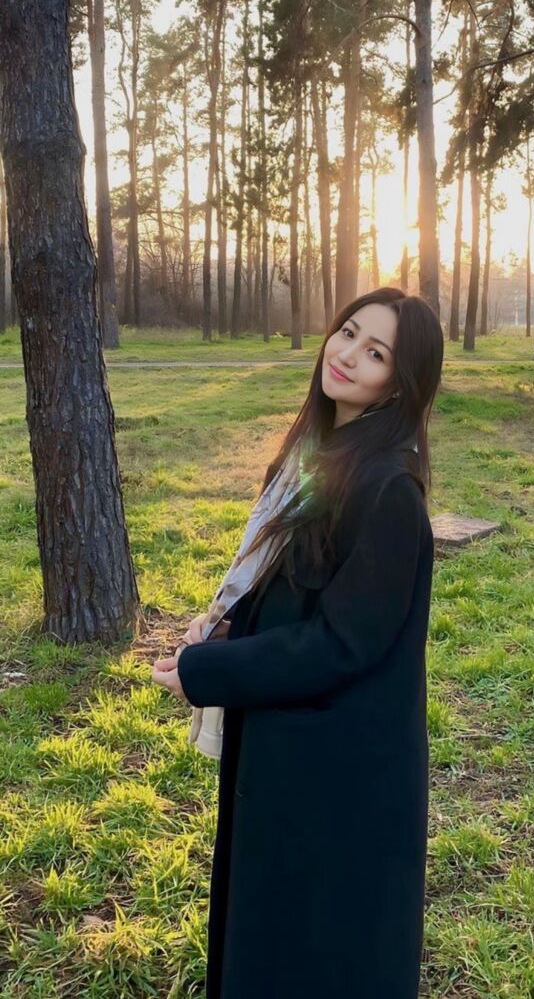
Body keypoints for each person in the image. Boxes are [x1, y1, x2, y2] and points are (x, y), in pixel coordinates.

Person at [151, 286, 444, 999]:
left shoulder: (388, 492)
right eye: (348, 332)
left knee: (318, 951)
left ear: (399, 384)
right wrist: (230, 623)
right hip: (290, 754)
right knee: (268, 933)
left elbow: (342, 643)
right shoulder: (315, 454)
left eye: (376, 352)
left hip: (337, 779)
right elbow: (291, 585)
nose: (347, 354)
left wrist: (210, 671)